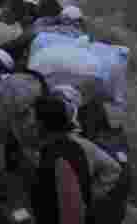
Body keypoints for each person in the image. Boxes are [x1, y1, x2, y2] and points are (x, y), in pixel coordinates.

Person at [32, 96, 92, 224]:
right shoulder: (70, 148)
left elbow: (73, 213)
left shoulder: (58, 157)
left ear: (41, 124)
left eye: (34, 120)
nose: (32, 125)